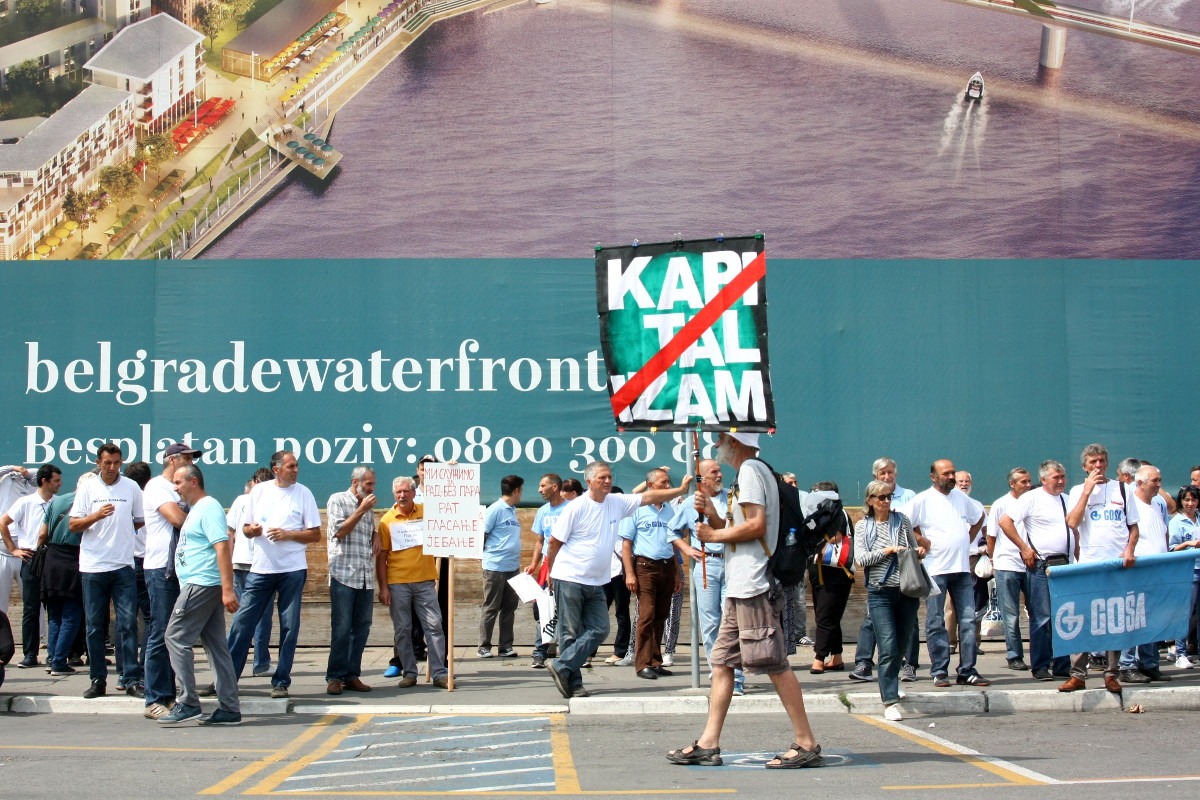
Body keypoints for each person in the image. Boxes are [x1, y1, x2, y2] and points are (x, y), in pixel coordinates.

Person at [667, 432, 821, 769]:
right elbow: (740, 528)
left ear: (735, 443)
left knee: (773, 663)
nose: (718, 442)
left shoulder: (751, 470)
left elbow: (756, 526)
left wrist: (714, 534)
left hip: (754, 585)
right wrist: (711, 513)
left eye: (723, 438)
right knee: (721, 663)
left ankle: (806, 741)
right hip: (741, 586)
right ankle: (708, 743)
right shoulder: (750, 473)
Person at [544, 461, 689, 699]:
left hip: (596, 581)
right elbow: (553, 542)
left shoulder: (617, 502)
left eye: (609, 477)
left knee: (600, 629)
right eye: (602, 477)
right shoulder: (576, 507)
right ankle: (574, 682)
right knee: (570, 632)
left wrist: (680, 491)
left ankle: (562, 665)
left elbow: (650, 496)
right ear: (589, 481)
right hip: (569, 577)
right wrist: (550, 572)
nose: (608, 481)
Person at [227, 450, 321, 699]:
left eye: (297, 465)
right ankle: (226, 679)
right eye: (291, 466)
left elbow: (315, 534)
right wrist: (252, 530)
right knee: (242, 622)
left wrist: (288, 534)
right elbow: (245, 529)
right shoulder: (259, 492)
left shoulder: (304, 493)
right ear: (276, 469)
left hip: (292, 569)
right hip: (261, 568)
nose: (296, 470)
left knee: (289, 626)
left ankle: (281, 681)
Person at [159, 464, 241, 725]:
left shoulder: (208, 507)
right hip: (203, 585)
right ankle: (229, 708)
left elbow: (222, 547)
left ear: (194, 482)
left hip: (202, 584)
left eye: (179, 482)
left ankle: (187, 702)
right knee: (216, 646)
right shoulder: (196, 511)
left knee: (174, 637)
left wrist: (227, 589)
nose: (176, 487)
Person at [69, 443, 145, 699]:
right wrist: (97, 516)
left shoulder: (131, 487)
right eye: (107, 463)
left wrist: (124, 532)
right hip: (93, 566)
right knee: (94, 626)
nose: (112, 468)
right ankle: (98, 678)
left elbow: (140, 520)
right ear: (98, 462)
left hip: (123, 564)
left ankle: (131, 677)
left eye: (116, 463)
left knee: (127, 624)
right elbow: (74, 525)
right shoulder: (87, 487)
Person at [1061, 443, 1139, 693]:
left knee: (1115, 620)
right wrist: (1086, 492)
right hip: (1088, 564)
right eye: (1093, 462)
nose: (1098, 466)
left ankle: (1112, 673)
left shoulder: (1123, 489)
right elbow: (1072, 522)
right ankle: (1078, 674)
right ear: (1085, 467)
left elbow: (1133, 527)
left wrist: (1129, 550)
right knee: (1083, 619)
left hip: (1116, 565)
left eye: (1101, 461)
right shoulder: (1077, 490)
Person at [905, 459, 988, 687]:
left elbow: (979, 516)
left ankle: (967, 671)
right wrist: (921, 539)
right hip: (935, 570)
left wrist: (967, 539)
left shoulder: (961, 498)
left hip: (961, 569)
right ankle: (939, 671)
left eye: (953, 473)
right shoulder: (922, 500)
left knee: (968, 621)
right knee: (935, 621)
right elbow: (903, 523)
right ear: (934, 476)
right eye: (946, 473)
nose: (951, 477)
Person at [669, 458, 742, 693]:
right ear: (701, 477)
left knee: (732, 622)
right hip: (706, 564)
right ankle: (718, 674)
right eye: (714, 472)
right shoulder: (691, 502)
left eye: (720, 470)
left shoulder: (732, 499)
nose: (719, 475)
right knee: (710, 623)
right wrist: (686, 549)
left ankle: (737, 678)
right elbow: (671, 530)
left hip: (730, 562)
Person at [997, 461, 1073, 682]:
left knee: (1063, 616)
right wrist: (1024, 548)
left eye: (1062, 477)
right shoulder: (1031, 498)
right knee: (1042, 616)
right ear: (1044, 479)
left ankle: (1062, 664)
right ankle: (1040, 665)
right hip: (1041, 565)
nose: (1060, 481)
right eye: (1055, 477)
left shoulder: (1067, 499)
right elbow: (1005, 522)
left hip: (1065, 564)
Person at [854, 480, 921, 721]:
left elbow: (913, 548)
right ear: (870, 500)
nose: (886, 501)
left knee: (903, 642)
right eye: (881, 497)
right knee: (888, 644)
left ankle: (891, 683)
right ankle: (889, 700)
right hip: (880, 591)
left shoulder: (901, 520)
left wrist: (918, 552)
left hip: (906, 588)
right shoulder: (863, 526)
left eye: (889, 497)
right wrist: (887, 551)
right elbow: (860, 559)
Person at [139, 442, 198, 719]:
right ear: (172, 460)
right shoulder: (156, 487)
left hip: (182, 567)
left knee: (177, 632)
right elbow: (176, 518)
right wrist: (201, 522)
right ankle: (155, 697)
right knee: (161, 631)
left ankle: (172, 694)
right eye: (187, 458)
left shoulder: (179, 488)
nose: (191, 462)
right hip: (161, 567)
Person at [377, 476, 448, 689]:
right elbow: (382, 557)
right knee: (402, 630)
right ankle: (409, 672)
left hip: (425, 581)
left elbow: (450, 511)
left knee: (434, 626)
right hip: (397, 583)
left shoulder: (427, 512)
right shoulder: (386, 521)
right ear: (393, 495)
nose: (402, 495)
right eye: (398, 492)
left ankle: (439, 673)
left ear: (414, 493)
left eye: (406, 491)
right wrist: (383, 587)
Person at [620, 468, 682, 680]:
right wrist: (629, 573)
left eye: (668, 482)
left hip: (666, 565)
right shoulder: (636, 509)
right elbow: (626, 544)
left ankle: (655, 661)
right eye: (663, 482)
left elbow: (673, 543)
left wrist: (677, 573)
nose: (667, 486)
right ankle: (643, 663)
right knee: (646, 614)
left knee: (661, 615)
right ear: (650, 485)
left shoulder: (668, 511)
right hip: (645, 567)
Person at [0, 463, 61, 669]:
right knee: (31, 608)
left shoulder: (59, 503)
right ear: (44, 481)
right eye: (56, 481)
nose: (60, 485)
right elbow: (3, 523)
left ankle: (54, 654)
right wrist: (13, 549)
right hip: (30, 556)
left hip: (52, 557)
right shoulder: (25, 502)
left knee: (54, 607)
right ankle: (30, 654)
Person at [324, 466, 378, 695]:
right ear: (355, 482)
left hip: (365, 575)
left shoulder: (369, 508)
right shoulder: (338, 500)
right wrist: (360, 510)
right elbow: (340, 532)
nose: (371, 488)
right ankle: (334, 676)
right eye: (368, 484)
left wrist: (375, 534)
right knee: (342, 628)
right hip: (344, 574)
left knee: (362, 628)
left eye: (373, 485)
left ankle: (351, 674)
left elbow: (367, 533)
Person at [1118, 464, 1170, 684]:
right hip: (1137, 571)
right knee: (1133, 618)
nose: (1159, 484)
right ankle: (1127, 665)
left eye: (1159, 480)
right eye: (1155, 481)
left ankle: (1148, 663)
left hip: (1156, 572)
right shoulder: (1131, 505)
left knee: (1151, 619)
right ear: (1139, 483)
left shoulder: (1156, 505)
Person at [37, 472, 90, 676]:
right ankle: (59, 661)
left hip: (52, 558)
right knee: (71, 613)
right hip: (73, 558)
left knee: (55, 614)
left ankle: (52, 657)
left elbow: (42, 533)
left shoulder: (56, 500)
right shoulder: (87, 506)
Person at [986, 468, 1033, 672]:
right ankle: (1014, 655)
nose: (1028, 485)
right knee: (1011, 613)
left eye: (1029, 481)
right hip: (1008, 565)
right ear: (1012, 484)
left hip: (1033, 565)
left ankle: (1042, 653)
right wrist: (993, 559)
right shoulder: (1000, 504)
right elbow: (991, 536)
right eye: (1023, 482)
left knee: (1038, 612)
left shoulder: (1034, 500)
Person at [228, 469, 273, 679]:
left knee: (249, 615)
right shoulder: (246, 500)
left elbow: (230, 532)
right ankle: (254, 662)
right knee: (254, 615)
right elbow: (230, 532)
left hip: (255, 562)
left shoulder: (245, 500)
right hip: (249, 562)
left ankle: (253, 662)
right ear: (255, 481)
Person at [808, 481, 853, 675]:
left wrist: (812, 531)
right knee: (828, 615)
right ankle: (837, 657)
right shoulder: (819, 513)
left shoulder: (838, 513)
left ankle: (819, 659)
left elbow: (836, 537)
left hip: (836, 572)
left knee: (825, 617)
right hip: (819, 572)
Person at [479, 475, 524, 659]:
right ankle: (484, 646)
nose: (521, 494)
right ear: (515, 491)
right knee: (491, 607)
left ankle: (505, 646)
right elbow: (482, 533)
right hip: (495, 567)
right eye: (520, 490)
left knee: (509, 608)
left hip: (512, 566)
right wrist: (486, 557)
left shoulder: (512, 511)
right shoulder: (495, 509)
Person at [526, 473, 568, 669]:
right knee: (544, 609)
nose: (539, 490)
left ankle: (567, 654)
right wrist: (534, 564)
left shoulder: (570, 509)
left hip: (567, 565)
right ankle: (539, 653)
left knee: (567, 610)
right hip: (546, 565)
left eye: (543, 486)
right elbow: (540, 541)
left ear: (555, 487)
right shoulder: (543, 511)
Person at [1168, 485, 1200, 670]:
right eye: (1186, 500)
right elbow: (1171, 548)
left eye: (1193, 500)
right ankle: (1180, 653)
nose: (1190, 503)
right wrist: (1189, 543)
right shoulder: (1176, 521)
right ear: (1181, 501)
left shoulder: (1199, 518)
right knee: (1184, 614)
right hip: (1188, 571)